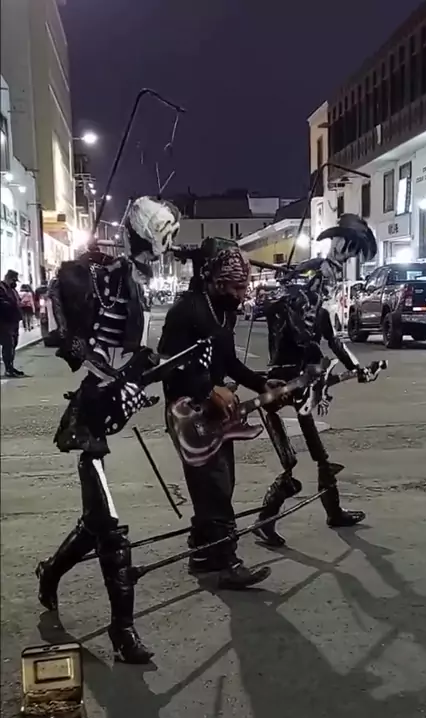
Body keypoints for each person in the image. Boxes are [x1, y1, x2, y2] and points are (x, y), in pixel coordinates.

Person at [35, 196, 205, 665]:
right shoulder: (106, 278)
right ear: (143, 236)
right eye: (161, 238)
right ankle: (122, 629)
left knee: (94, 524)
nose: (165, 248)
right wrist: (115, 377)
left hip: (111, 404)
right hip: (91, 416)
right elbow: (80, 345)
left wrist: (156, 370)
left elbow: (136, 358)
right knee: (111, 529)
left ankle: (50, 573)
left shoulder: (136, 281)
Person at [255, 214, 378, 548]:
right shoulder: (291, 304)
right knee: (290, 462)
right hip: (280, 385)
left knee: (321, 457)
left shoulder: (321, 308)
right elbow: (300, 334)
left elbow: (335, 340)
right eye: (322, 282)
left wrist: (357, 367)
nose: (327, 287)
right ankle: (264, 520)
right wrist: (310, 351)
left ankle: (333, 511)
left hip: (303, 386)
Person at [158, 239, 274, 590]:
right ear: (214, 281)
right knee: (214, 489)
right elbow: (167, 365)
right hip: (186, 414)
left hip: (216, 413)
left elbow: (230, 363)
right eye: (235, 288)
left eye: (243, 287)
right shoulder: (185, 311)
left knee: (219, 485)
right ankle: (226, 563)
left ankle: (203, 552)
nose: (241, 295)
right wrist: (208, 390)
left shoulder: (225, 311)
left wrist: (262, 384)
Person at [0, 269, 24, 378]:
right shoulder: (2, 288)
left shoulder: (12, 290)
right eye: (14, 280)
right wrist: (12, 305)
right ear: (8, 278)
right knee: (8, 345)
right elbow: (2, 303)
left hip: (13, 321)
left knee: (13, 344)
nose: (15, 283)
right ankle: (8, 369)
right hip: (5, 322)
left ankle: (11, 367)